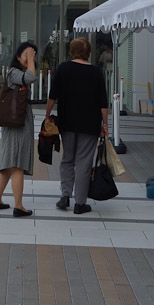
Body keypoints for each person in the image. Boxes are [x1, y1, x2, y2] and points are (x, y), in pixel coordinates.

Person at [46, 37, 108, 215]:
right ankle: (80, 203)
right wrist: (106, 125)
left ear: (72, 51)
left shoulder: (64, 68)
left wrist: (47, 115)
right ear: (88, 52)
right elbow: (103, 104)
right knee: (84, 162)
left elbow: (52, 96)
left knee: (67, 159)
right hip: (90, 125)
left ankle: (65, 196)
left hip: (67, 122)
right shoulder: (96, 72)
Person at [0, 41, 38, 218]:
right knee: (17, 163)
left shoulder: (18, 72)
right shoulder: (14, 73)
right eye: (26, 54)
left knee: (9, 163)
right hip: (16, 122)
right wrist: (32, 61)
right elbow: (31, 77)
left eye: (32, 54)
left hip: (17, 120)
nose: (30, 57)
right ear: (18, 57)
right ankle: (18, 206)